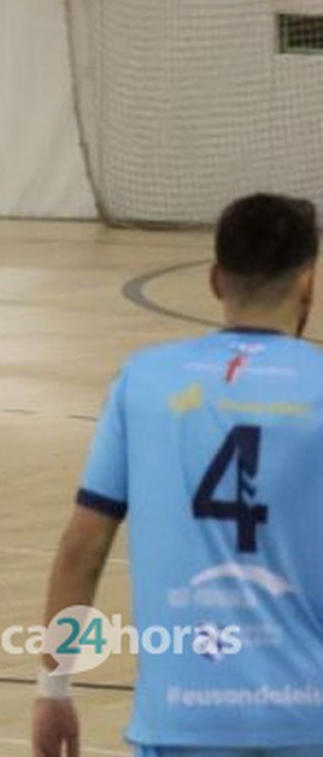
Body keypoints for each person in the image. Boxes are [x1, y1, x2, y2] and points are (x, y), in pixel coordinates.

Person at [34, 193, 323, 756]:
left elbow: (82, 548)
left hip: (181, 719)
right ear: (308, 284)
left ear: (215, 279)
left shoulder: (143, 381)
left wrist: (54, 686)